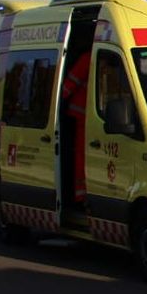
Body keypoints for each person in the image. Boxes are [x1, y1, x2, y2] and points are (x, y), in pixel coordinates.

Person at [60, 50, 91, 205]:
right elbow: (68, 86)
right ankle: (80, 196)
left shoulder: (91, 56)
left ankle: (82, 195)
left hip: (90, 116)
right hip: (82, 115)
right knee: (81, 156)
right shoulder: (89, 57)